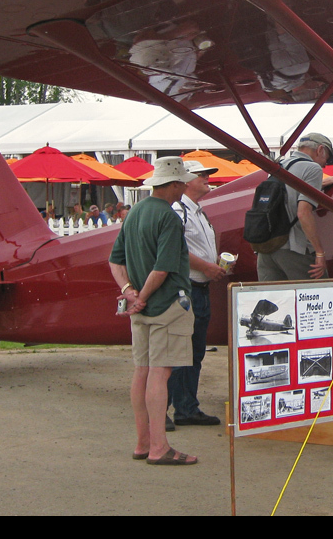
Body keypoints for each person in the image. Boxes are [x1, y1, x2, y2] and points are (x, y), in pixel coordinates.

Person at [108, 156, 199, 466]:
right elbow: (163, 268)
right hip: (167, 305)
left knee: (142, 371)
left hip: (141, 311)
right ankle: (160, 447)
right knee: (161, 373)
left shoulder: (134, 214)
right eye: (183, 182)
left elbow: (115, 260)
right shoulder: (170, 218)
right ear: (173, 185)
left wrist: (128, 292)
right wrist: (143, 296)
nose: (186, 186)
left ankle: (143, 442)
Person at [166, 160, 226, 429]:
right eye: (201, 175)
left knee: (194, 353)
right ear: (186, 180)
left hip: (199, 288)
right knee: (180, 352)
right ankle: (164, 409)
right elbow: (176, 248)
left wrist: (215, 265)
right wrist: (207, 267)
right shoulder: (180, 211)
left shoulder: (198, 212)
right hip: (187, 288)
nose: (206, 178)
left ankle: (186, 407)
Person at [255, 132, 333, 282]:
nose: (326, 164)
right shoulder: (313, 168)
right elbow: (303, 213)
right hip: (294, 248)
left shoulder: (278, 166)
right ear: (320, 150)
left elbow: (288, 192)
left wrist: (320, 185)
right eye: (327, 157)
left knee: (274, 301)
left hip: (267, 249)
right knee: (316, 298)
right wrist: (319, 252)